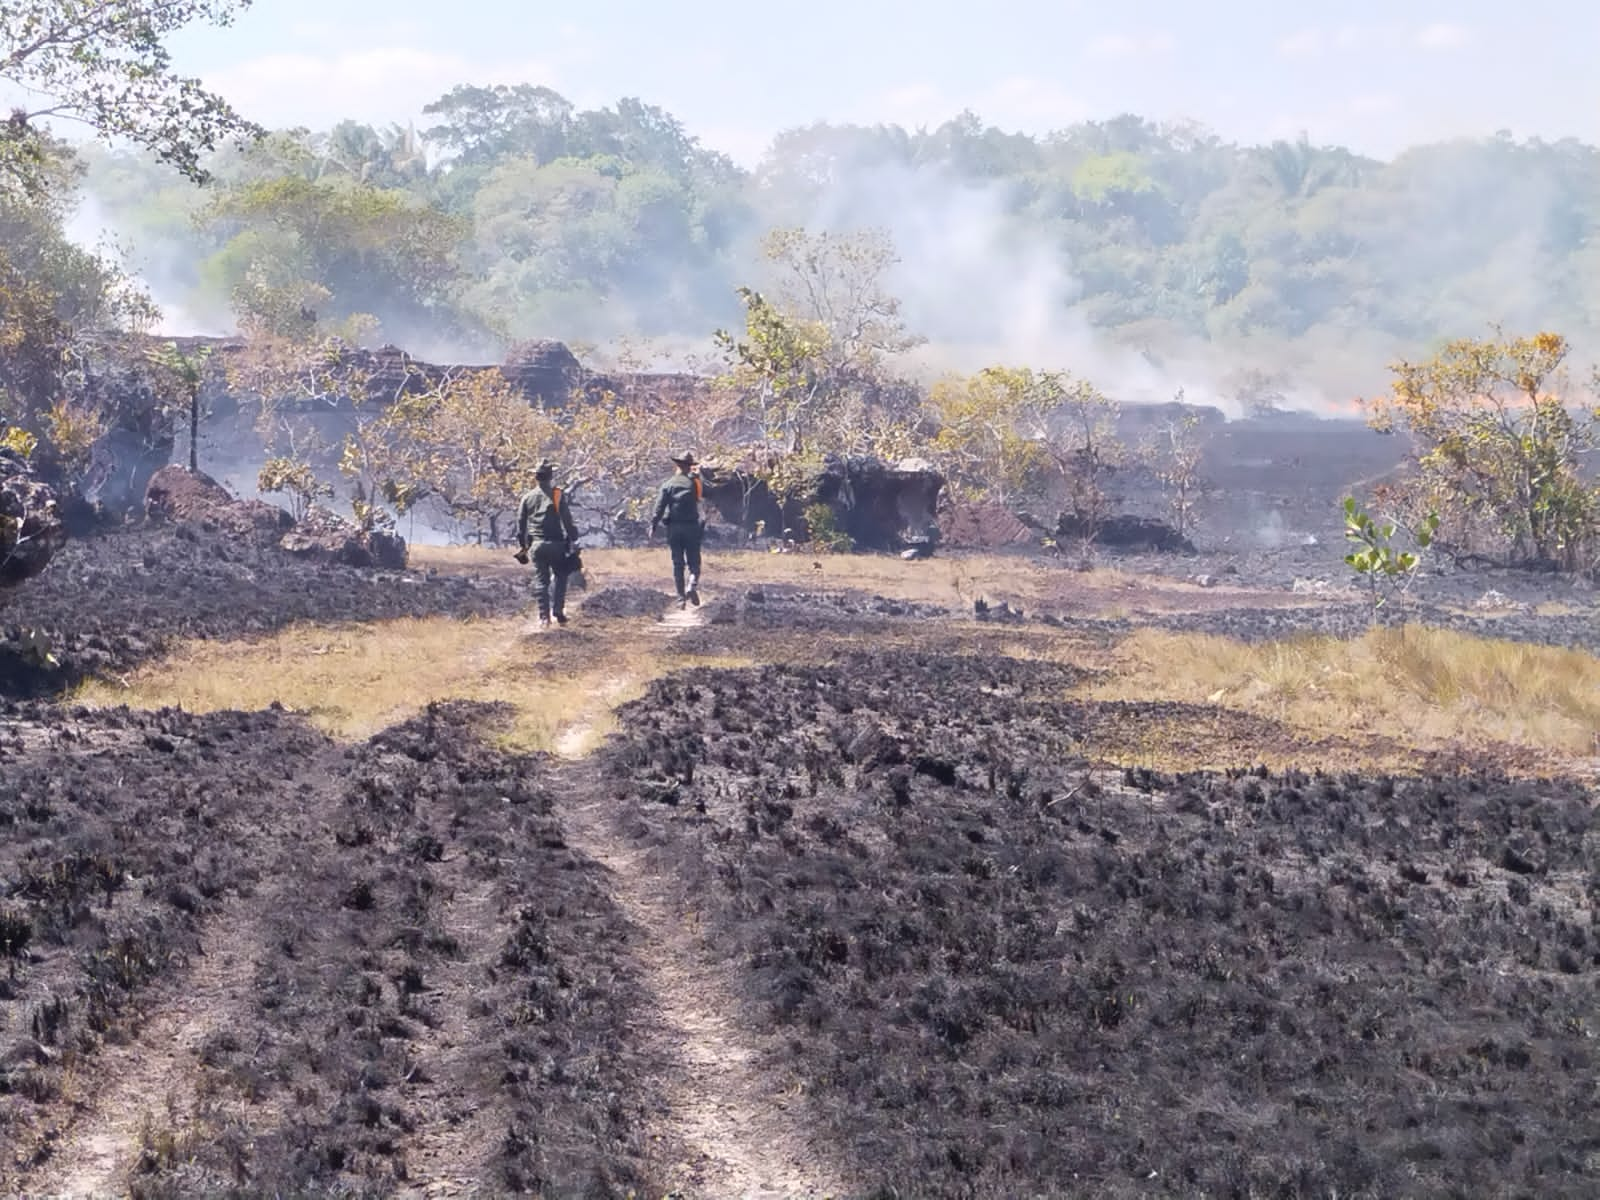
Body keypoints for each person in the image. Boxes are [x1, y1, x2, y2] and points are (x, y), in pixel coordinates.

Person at [515, 460, 580, 629]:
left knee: (541, 581)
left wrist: (523, 547)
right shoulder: (557, 495)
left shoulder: (527, 497)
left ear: (536, 477)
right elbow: (567, 520)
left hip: (536, 546)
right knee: (561, 576)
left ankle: (544, 617)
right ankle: (558, 610)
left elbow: (520, 525)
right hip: (557, 545)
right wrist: (574, 538)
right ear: (550, 476)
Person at [650, 449, 705, 608]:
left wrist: (653, 525)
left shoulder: (668, 484)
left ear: (677, 465)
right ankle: (692, 585)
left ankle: (681, 598)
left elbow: (659, 507)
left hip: (674, 528)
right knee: (694, 562)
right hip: (692, 528)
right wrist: (696, 477)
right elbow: (699, 498)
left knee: (678, 563)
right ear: (690, 466)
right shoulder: (694, 482)